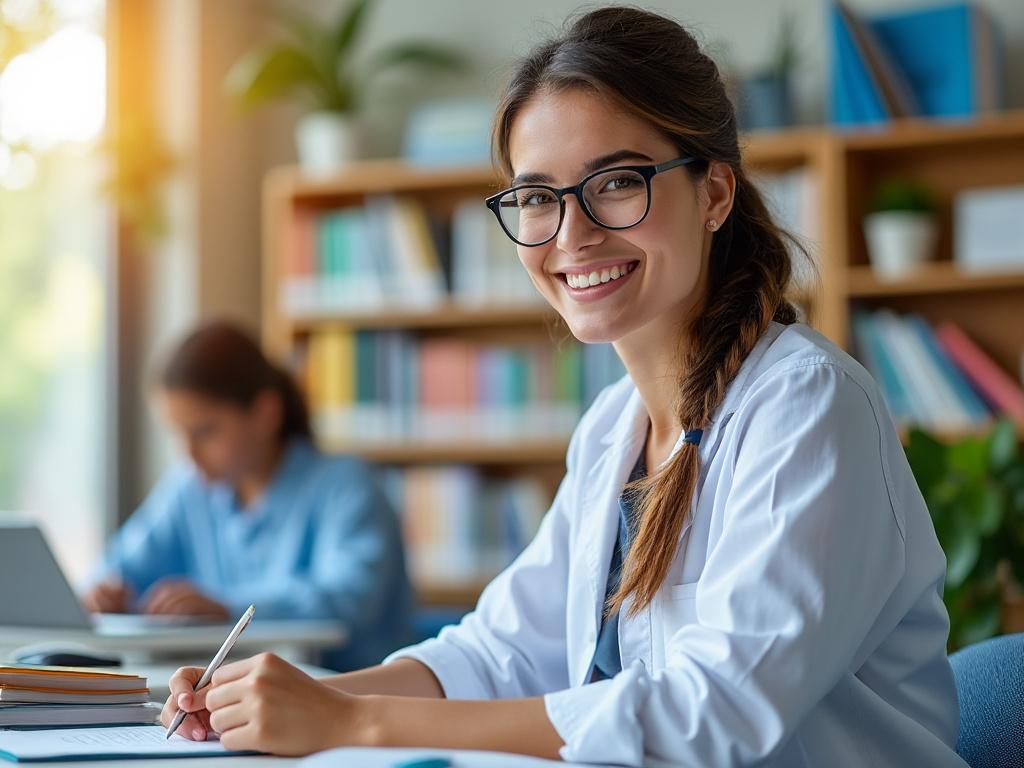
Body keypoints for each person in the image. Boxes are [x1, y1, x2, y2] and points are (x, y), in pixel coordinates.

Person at [160, 8, 965, 766]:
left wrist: (355, 722)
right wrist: (282, 700)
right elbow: (500, 653)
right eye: (538, 197)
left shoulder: (807, 405)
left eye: (616, 182)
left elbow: (712, 714)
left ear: (714, 192)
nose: (572, 235)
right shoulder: (612, 429)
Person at [84, 320, 413, 672]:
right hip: (227, 700)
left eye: (206, 432)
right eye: (179, 435)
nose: (189, 454)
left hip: (345, 696)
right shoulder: (189, 490)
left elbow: (349, 598)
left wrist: (229, 610)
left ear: (265, 413)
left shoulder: (347, 486)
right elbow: (119, 568)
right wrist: (106, 592)